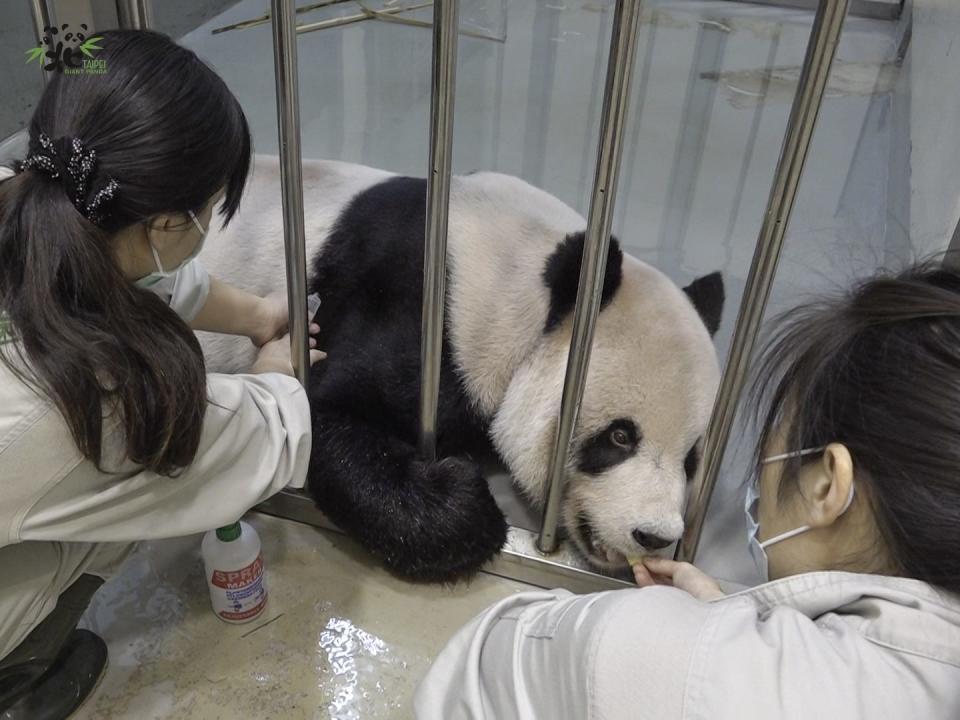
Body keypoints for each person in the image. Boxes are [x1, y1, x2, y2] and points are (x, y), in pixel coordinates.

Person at [415, 261, 960, 719]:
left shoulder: (657, 658)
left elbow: (481, 667)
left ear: (826, 486)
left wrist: (693, 638)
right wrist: (740, 620)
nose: (670, 521)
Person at [0, 30, 323, 719]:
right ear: (169, 224)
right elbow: (254, 439)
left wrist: (262, 314)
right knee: (124, 508)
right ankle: (17, 681)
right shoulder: (95, 400)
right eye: (211, 212)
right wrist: (278, 367)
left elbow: (143, 276)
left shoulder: (34, 198)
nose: (210, 224)